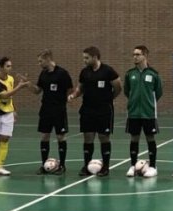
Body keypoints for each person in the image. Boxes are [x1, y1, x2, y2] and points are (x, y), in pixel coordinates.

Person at [68, 46, 120, 176]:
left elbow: (118, 87)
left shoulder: (108, 71)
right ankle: (86, 166)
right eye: (84, 58)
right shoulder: (84, 72)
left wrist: (109, 98)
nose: (84, 60)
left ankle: (106, 167)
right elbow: (80, 88)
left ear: (95, 57)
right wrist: (74, 95)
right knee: (88, 138)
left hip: (104, 110)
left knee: (104, 137)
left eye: (87, 58)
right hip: (87, 110)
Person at [0, 56, 32, 176]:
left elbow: (10, 98)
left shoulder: (10, 79)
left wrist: (14, 109)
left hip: (7, 113)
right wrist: (19, 87)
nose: (10, 68)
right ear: (0, 67)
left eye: (11, 66)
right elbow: (4, 95)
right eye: (8, 66)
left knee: (5, 139)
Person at [123, 45, 163, 177]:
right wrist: (134, 102)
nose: (135, 56)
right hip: (133, 112)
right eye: (134, 54)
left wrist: (148, 103)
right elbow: (127, 91)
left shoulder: (154, 74)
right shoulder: (130, 74)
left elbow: (158, 92)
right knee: (134, 138)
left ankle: (153, 166)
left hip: (149, 113)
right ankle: (132, 166)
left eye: (138, 54)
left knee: (150, 138)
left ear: (145, 56)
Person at [34, 50, 73, 174]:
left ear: (48, 59)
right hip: (45, 109)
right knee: (44, 136)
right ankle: (43, 164)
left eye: (40, 61)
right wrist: (27, 84)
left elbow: (70, 89)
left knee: (60, 136)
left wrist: (62, 101)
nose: (39, 64)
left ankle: (62, 165)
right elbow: (37, 90)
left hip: (59, 110)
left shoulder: (62, 73)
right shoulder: (43, 74)